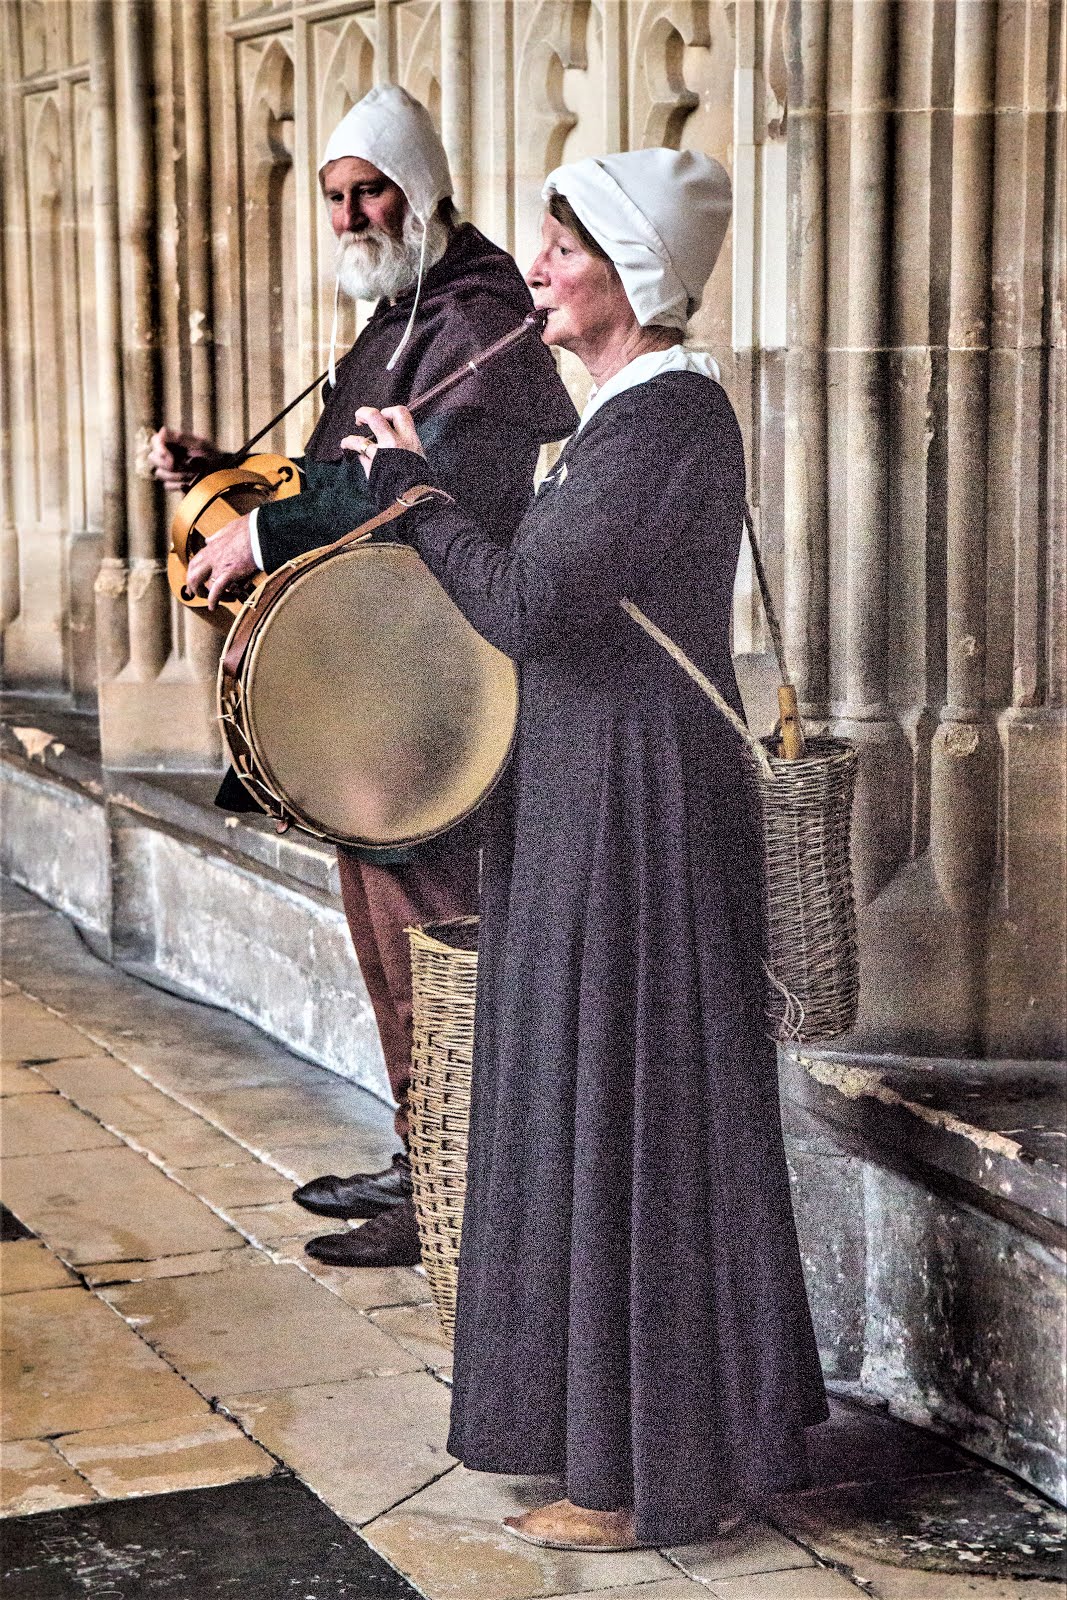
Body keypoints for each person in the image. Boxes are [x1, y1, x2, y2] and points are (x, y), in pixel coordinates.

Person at [341, 147, 828, 1549]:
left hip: (637, 809)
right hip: (588, 794)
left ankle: (638, 1474)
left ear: (631, 273)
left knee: (628, 1111)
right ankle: (613, 1439)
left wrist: (422, 495)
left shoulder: (665, 417)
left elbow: (538, 605)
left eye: (560, 249)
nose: (536, 270)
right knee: (591, 1099)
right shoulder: (618, 415)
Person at [150, 86, 577, 1269]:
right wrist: (227, 470)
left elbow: (441, 487)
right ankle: (418, 1149)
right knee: (383, 925)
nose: (350, 212)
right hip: (372, 676)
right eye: (336, 196)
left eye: (370, 190)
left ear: (422, 190)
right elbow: (338, 464)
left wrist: (268, 537)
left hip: (439, 681)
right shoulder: (402, 308)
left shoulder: (479, 309)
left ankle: (455, 1184)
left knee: (436, 934)